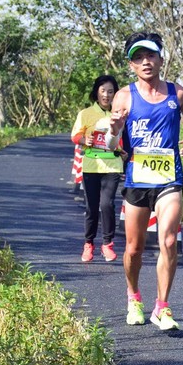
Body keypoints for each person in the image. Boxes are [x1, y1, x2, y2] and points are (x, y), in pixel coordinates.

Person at [105, 32, 183, 331]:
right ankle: (134, 297)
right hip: (137, 179)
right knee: (134, 249)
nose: (145, 62)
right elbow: (111, 145)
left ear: (161, 58)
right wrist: (115, 130)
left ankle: (162, 306)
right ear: (131, 64)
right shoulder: (124, 96)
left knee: (169, 240)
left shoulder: (178, 93)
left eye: (150, 55)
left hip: (169, 178)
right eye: (138, 57)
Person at [71, 75, 124, 263]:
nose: (106, 95)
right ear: (96, 93)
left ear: (116, 95)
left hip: (112, 166)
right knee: (91, 208)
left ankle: (107, 244)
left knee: (107, 205)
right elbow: (75, 136)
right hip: (91, 167)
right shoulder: (85, 114)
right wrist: (85, 140)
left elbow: (126, 138)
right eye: (103, 91)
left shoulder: (120, 114)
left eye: (111, 91)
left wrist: (124, 150)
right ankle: (88, 244)